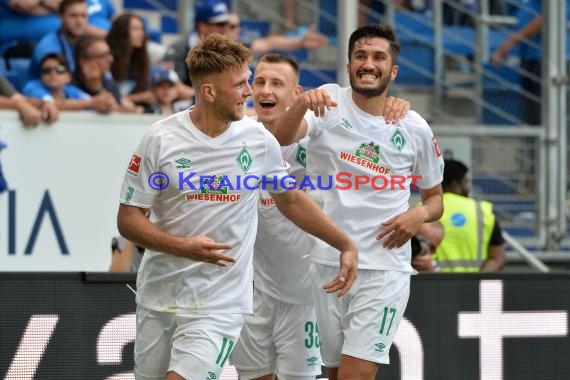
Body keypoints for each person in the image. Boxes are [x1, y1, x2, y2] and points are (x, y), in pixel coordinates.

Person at [116, 34, 358, 380]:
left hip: (221, 304)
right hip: (159, 296)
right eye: (242, 83)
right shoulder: (160, 138)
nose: (250, 91)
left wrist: (344, 243)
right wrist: (182, 247)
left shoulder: (257, 139)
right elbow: (128, 219)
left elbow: (289, 200)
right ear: (209, 92)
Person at [274, 24, 444, 379]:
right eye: (360, 56)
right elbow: (282, 137)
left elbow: (435, 198)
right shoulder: (327, 103)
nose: (369, 64)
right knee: (335, 373)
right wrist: (303, 101)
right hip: (327, 262)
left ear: (392, 70)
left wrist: (420, 215)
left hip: (384, 267)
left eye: (379, 57)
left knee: (356, 375)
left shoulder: (414, 127)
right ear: (349, 65)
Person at [229, 52, 410, 380]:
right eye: (260, 81)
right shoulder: (238, 141)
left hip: (305, 298)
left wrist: (391, 104)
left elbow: (363, 130)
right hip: (252, 294)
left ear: (296, 93)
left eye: (277, 83)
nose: (266, 90)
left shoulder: (316, 140)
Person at [434, 159, 507, 272]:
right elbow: (498, 257)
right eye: (466, 182)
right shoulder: (483, 211)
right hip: (472, 286)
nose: (468, 188)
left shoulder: (421, 212)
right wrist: (477, 283)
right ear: (455, 185)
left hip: (431, 286)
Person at [23, 53, 116, 113]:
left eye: (60, 70)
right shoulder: (32, 87)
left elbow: (93, 102)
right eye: (47, 70)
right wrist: (91, 103)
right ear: (41, 75)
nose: (53, 73)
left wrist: (104, 102)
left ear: (68, 77)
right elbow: (50, 104)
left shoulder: (71, 91)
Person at [29, 0, 89, 78]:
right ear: (61, 17)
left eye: (83, 16)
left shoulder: (88, 43)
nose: (79, 21)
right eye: (73, 16)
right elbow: (55, 81)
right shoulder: (48, 47)